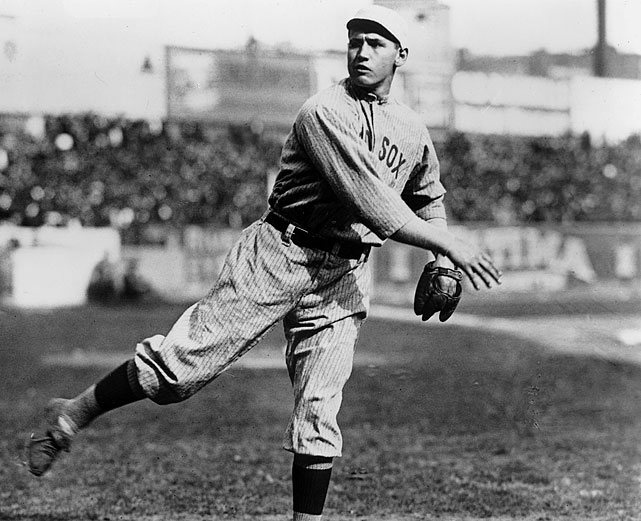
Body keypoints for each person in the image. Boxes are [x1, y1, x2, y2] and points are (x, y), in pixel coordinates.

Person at [26, 6, 502, 521]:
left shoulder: (411, 127)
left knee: (321, 407)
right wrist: (451, 245)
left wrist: (442, 261)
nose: (362, 52)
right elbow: (375, 204)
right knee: (177, 376)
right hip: (279, 253)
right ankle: (72, 413)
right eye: (355, 41)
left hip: (342, 275)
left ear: (400, 54)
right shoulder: (323, 112)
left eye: (376, 43)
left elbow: (427, 194)